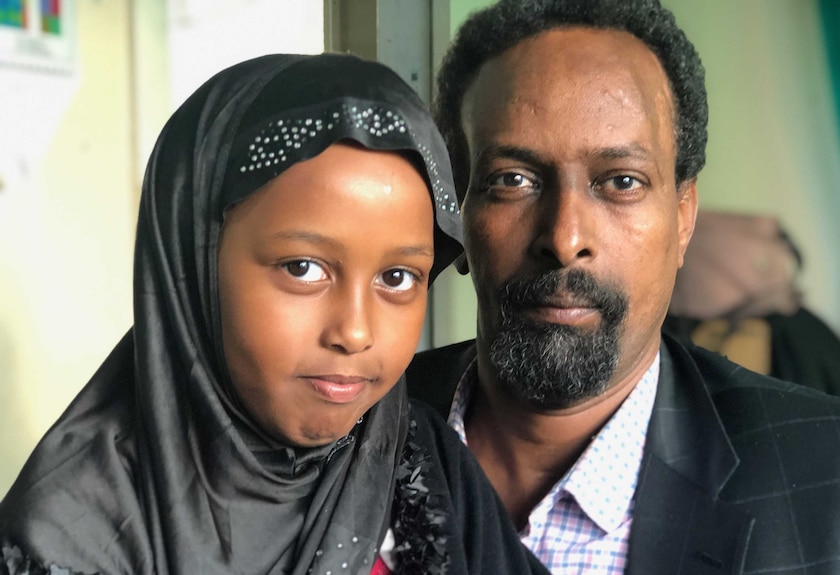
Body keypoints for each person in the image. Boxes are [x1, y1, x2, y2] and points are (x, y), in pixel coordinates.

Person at [0, 53, 550, 575]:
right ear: (193, 269)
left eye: (397, 278)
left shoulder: (422, 464)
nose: (355, 332)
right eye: (303, 268)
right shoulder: (70, 536)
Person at [407, 0, 840, 573]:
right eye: (512, 180)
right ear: (458, 212)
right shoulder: (347, 435)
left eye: (621, 181)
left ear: (684, 217)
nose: (565, 237)